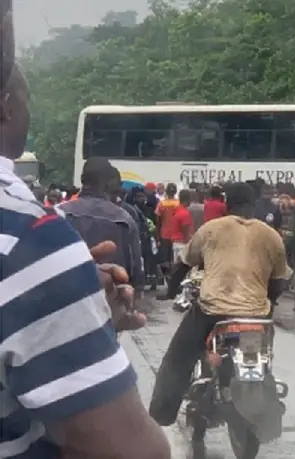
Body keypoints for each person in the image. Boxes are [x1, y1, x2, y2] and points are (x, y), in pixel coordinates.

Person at [0, 6, 169, 457]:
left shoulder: (54, 222)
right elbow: (130, 450)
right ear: (8, 108)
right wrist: (79, 313)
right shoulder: (29, 237)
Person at [149, 182, 289, 430]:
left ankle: (160, 417)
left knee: (179, 359)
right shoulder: (271, 235)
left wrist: (170, 292)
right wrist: (267, 303)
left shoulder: (211, 229)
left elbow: (182, 265)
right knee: (265, 353)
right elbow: (279, 282)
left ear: (226, 205)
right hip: (256, 315)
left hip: (213, 312)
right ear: (253, 204)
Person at [59, 158, 145, 292]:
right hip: (111, 297)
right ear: (108, 183)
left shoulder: (59, 213)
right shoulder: (124, 218)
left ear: (82, 179)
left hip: (67, 296)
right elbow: (135, 268)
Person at [155, 182, 179, 271]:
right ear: (175, 192)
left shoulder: (161, 203)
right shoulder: (179, 204)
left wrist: (157, 237)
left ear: (166, 191)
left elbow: (158, 220)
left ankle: (166, 276)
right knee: (174, 257)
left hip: (164, 234)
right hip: (177, 235)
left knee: (165, 259)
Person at [170, 188, 194, 263]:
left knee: (176, 268)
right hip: (182, 244)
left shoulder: (176, 210)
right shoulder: (185, 213)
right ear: (188, 199)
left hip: (175, 243)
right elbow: (185, 232)